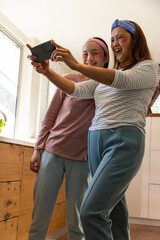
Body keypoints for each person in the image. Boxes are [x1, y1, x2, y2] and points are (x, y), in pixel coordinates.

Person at [28, 19, 160, 240]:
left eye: (120, 37)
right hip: (95, 143)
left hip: (122, 141)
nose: (115, 42)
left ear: (135, 40)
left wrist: (77, 65)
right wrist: (46, 73)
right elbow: (76, 89)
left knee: (90, 212)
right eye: (112, 38)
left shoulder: (148, 67)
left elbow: (122, 81)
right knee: (115, 210)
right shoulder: (103, 81)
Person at [26, 37, 109, 240]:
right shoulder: (69, 79)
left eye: (95, 53)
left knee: (77, 221)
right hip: (52, 153)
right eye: (85, 53)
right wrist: (38, 149)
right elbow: (50, 116)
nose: (89, 58)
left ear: (106, 57)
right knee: (40, 217)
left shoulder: (108, 87)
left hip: (83, 160)